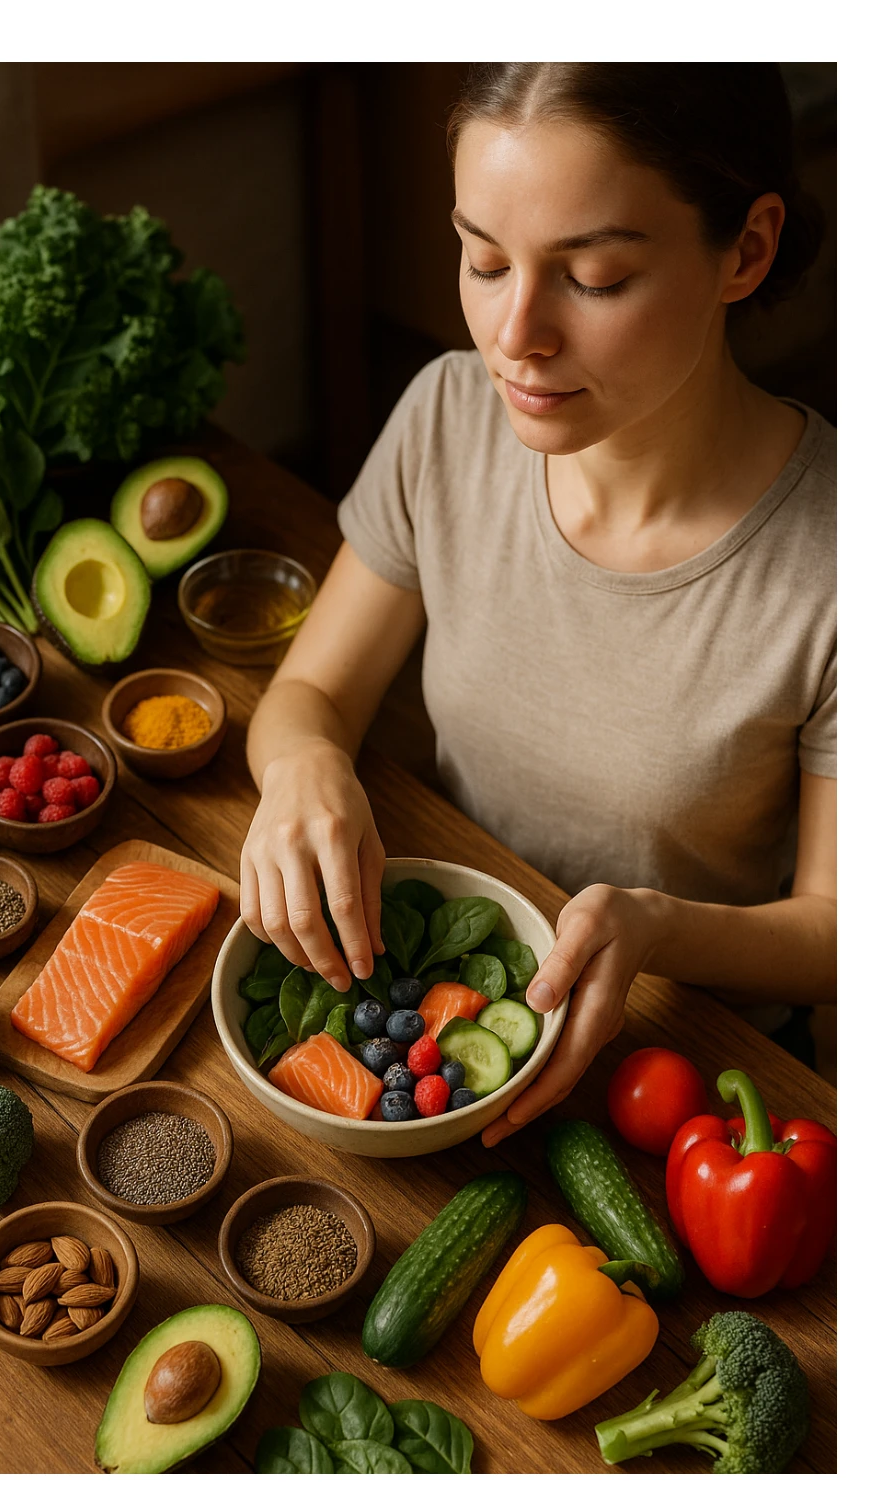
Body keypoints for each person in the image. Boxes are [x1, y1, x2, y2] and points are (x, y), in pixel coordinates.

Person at [239, 62, 836, 1148]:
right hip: (440, 999)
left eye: (595, 277)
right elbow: (311, 690)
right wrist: (302, 766)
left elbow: (839, 929)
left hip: (681, 1075)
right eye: (481, 257)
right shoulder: (448, 419)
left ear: (744, 250)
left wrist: (655, 928)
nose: (515, 333)